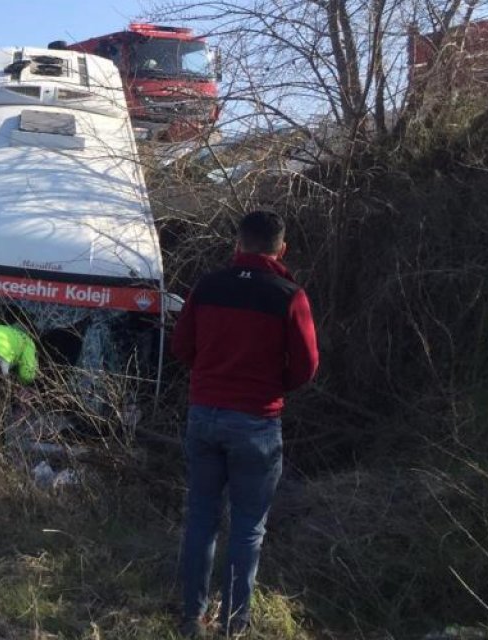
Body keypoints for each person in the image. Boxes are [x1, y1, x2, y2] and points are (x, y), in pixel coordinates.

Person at [171, 210, 319, 637]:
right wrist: (272, 385)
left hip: (205, 414)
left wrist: (211, 373)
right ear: (281, 248)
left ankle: (191, 618)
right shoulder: (290, 295)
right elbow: (307, 367)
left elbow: (182, 346)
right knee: (247, 527)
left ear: (238, 244)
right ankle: (233, 625)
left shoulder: (207, 287)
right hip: (257, 420)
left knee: (200, 517)